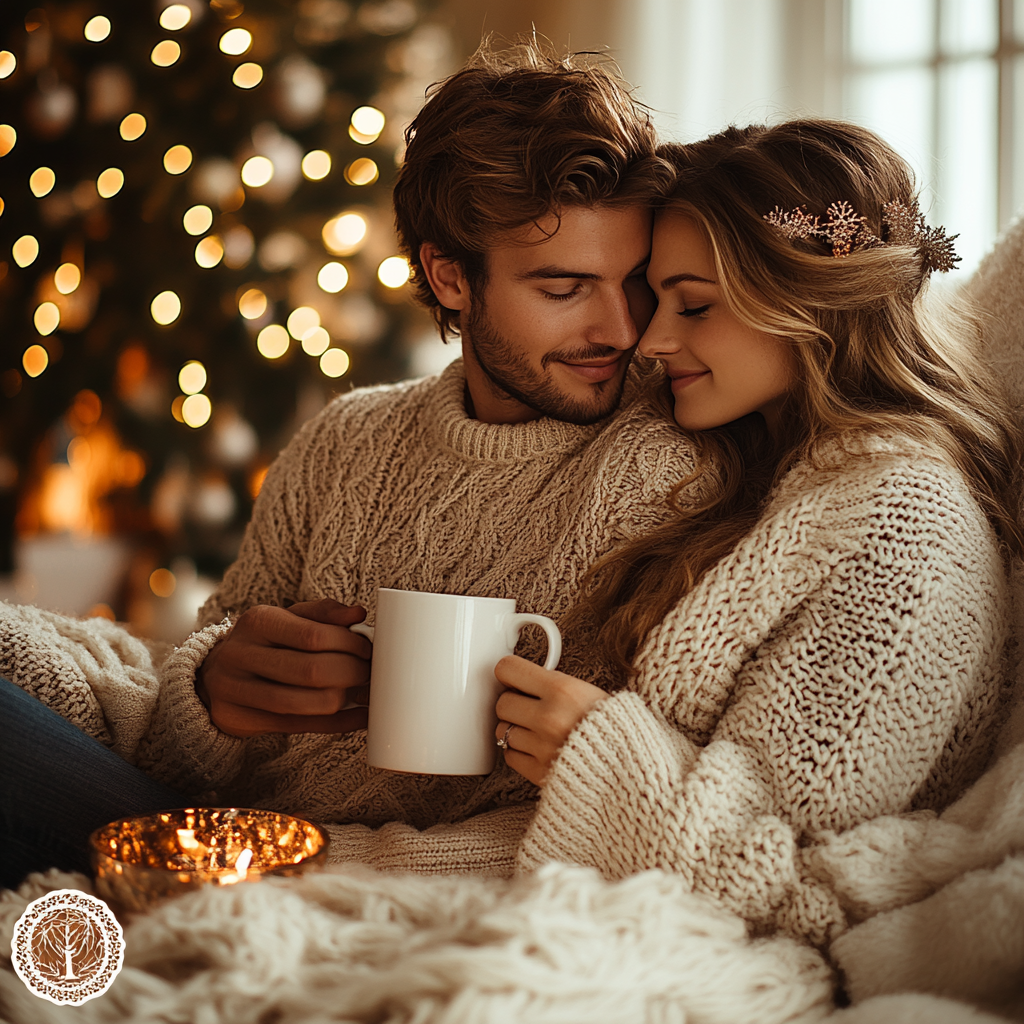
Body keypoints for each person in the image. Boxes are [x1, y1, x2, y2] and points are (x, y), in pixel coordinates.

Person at [0, 41, 696, 888]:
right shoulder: (348, 438)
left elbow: (634, 797)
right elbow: (189, 723)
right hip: (209, 831)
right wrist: (213, 693)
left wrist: (317, 870)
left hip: (306, 871)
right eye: (563, 289)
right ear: (450, 277)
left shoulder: (673, 455)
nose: (622, 329)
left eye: (637, 282)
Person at [492, 120, 1023, 947]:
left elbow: (799, 894)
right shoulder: (773, 470)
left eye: (694, 305)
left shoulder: (905, 525)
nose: (651, 338)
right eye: (655, 297)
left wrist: (595, 753)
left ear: (808, 300)